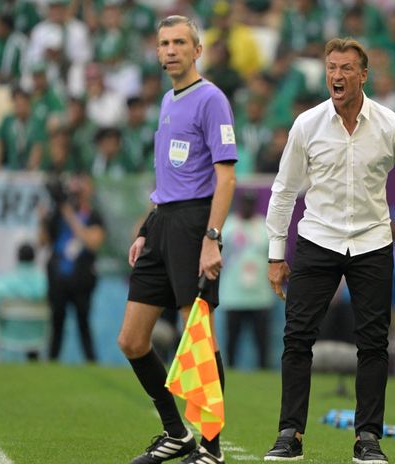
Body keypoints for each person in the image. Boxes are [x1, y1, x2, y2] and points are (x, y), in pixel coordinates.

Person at [263, 37, 395, 463]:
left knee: (373, 344)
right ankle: (290, 434)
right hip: (318, 239)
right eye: (331, 68)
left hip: (373, 243)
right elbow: (283, 191)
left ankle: (367, 439)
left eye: (345, 69)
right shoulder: (306, 124)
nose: (336, 76)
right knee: (296, 338)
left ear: (363, 75)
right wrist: (276, 254)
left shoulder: (392, 125)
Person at [116, 15, 237, 464]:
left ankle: (211, 448)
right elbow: (171, 174)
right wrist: (148, 228)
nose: (170, 50)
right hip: (163, 223)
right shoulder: (168, 99)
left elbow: (226, 178)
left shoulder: (211, 100)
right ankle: (176, 432)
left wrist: (211, 238)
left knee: (198, 337)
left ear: (197, 50)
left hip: (193, 226)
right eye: (164, 43)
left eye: (179, 42)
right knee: (131, 340)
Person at [41, 174, 105, 362]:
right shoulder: (58, 214)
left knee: (83, 323)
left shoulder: (93, 216)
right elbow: (43, 241)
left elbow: (93, 242)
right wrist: (44, 219)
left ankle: (91, 360)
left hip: (82, 279)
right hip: (58, 277)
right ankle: (52, 360)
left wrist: (69, 215)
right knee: (56, 323)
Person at [219, 190, 275, 369]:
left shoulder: (264, 226)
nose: (247, 207)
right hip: (234, 295)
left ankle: (263, 373)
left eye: (251, 204)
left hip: (260, 295)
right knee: (232, 339)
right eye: (244, 203)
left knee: (262, 341)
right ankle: (230, 370)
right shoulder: (228, 227)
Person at [0, 243, 47, 361]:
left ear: (17, 258)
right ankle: (34, 364)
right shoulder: (44, 282)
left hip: (8, 333)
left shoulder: (4, 281)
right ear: (34, 258)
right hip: (36, 334)